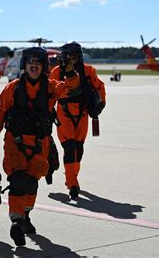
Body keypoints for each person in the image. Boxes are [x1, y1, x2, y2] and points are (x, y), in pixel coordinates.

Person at [0, 47, 79, 247]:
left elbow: (72, 89)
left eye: (38, 63)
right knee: (17, 180)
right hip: (15, 143)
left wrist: (69, 72)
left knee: (32, 183)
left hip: (40, 145)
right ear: (25, 65)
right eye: (31, 62)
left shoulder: (51, 88)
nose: (34, 65)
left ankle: (26, 216)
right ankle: (16, 221)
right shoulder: (12, 89)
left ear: (43, 67)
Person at [49, 42, 106, 199]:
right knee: (69, 148)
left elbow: (99, 87)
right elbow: (50, 92)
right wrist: (48, 111)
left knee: (79, 149)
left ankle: (73, 178)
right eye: (70, 56)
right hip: (64, 113)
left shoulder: (89, 71)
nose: (73, 59)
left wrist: (101, 104)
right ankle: (72, 182)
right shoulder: (56, 72)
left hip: (83, 113)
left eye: (76, 55)